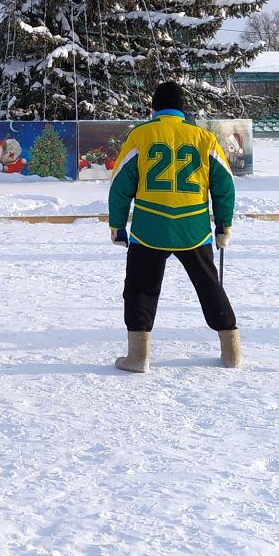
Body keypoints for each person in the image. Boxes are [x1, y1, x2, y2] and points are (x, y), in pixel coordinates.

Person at [107, 81, 240, 372]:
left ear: (153, 108)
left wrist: (117, 226)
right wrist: (223, 226)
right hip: (194, 229)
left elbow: (120, 184)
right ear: (182, 110)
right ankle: (232, 352)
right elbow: (224, 184)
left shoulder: (140, 135)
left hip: (149, 229)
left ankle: (138, 356)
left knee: (141, 288)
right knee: (209, 285)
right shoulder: (203, 138)